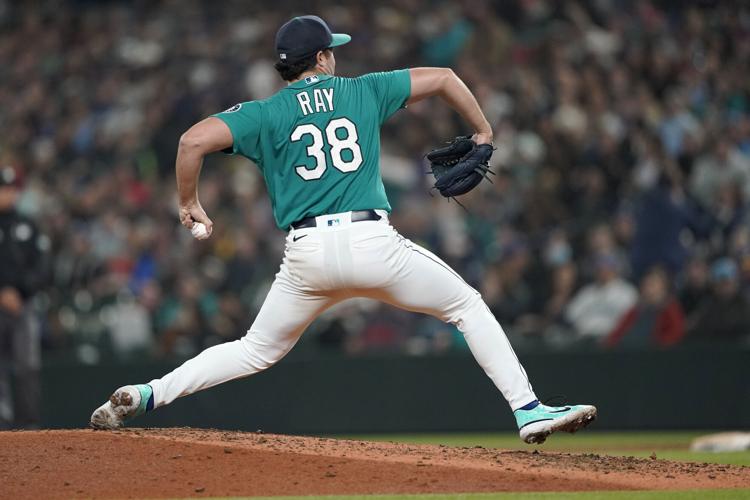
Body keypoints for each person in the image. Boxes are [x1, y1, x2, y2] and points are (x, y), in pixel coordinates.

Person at [91, 15, 595, 444]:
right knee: (465, 306)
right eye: (331, 51)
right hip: (371, 243)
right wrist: (483, 129)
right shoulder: (363, 90)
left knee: (254, 350)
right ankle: (527, 409)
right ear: (323, 59)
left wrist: (189, 203)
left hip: (305, 256)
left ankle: (149, 393)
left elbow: (190, 142)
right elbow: (443, 77)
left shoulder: (265, 113)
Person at [0, 165, 48, 428]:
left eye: (10, 189)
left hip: (25, 304)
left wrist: (19, 291)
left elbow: (42, 266)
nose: (7, 194)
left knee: (27, 366)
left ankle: (29, 427)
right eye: (2, 189)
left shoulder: (28, 225)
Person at [604, 266, 685, 348]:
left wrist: (658, 345)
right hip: (627, 350)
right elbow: (619, 331)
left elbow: (675, 333)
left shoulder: (670, 308)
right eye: (645, 284)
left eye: (652, 284)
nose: (647, 287)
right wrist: (609, 343)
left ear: (663, 287)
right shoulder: (636, 309)